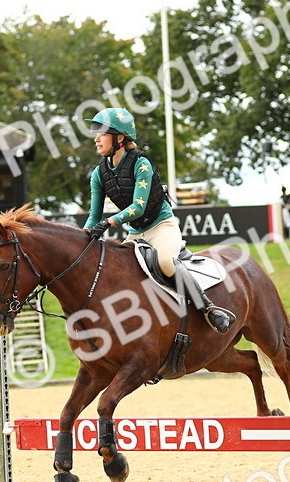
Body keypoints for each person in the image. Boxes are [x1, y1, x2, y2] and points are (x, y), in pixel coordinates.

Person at [83, 107, 235, 334]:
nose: (96, 139)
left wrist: (110, 222)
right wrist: (83, 237)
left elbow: (138, 207)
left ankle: (209, 309)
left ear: (120, 138)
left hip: (161, 226)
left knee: (165, 262)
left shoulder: (141, 164)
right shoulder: (98, 174)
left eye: (102, 133)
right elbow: (94, 216)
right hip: (136, 232)